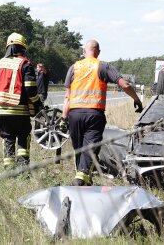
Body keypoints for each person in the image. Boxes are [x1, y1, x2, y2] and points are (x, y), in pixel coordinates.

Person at [61, 39, 143, 186]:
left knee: (79, 149)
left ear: (84, 51)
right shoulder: (103, 66)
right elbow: (124, 84)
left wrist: (63, 117)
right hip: (93, 114)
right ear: (98, 52)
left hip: (74, 115)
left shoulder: (74, 68)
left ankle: (82, 178)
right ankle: (81, 179)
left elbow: (67, 96)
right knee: (90, 148)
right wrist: (136, 99)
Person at [0, 33, 41, 169]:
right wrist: (38, 104)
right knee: (23, 137)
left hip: (1, 110)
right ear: (23, 48)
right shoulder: (25, 64)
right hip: (19, 110)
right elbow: (30, 89)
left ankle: (8, 170)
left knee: (8, 138)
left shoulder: (0, 63)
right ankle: (23, 169)